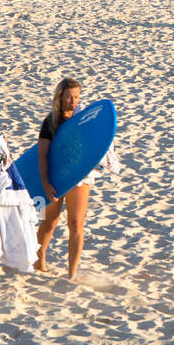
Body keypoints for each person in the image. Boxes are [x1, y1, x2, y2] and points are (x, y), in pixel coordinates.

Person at [34, 78, 117, 278]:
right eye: (69, 97)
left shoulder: (84, 119)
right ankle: (39, 261)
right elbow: (42, 152)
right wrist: (45, 182)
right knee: (50, 221)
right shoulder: (51, 121)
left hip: (79, 176)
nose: (73, 101)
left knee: (76, 223)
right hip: (55, 175)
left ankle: (72, 272)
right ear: (60, 97)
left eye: (77, 97)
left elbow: (96, 143)